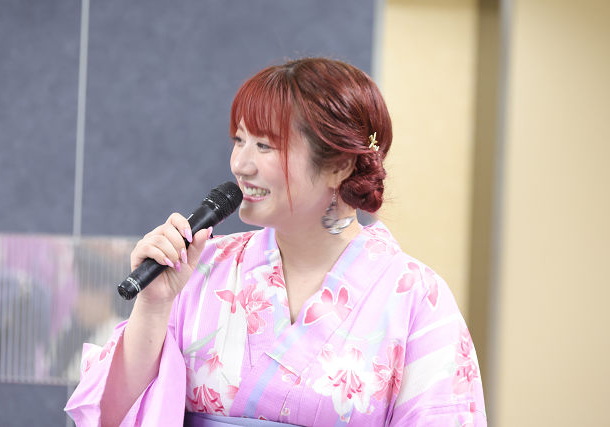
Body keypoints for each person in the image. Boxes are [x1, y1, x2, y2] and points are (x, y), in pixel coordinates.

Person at [65, 57, 486, 426]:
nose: (240, 164)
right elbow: (115, 415)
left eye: (265, 145)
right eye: (239, 140)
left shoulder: (416, 298)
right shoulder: (200, 268)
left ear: (339, 165)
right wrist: (155, 305)